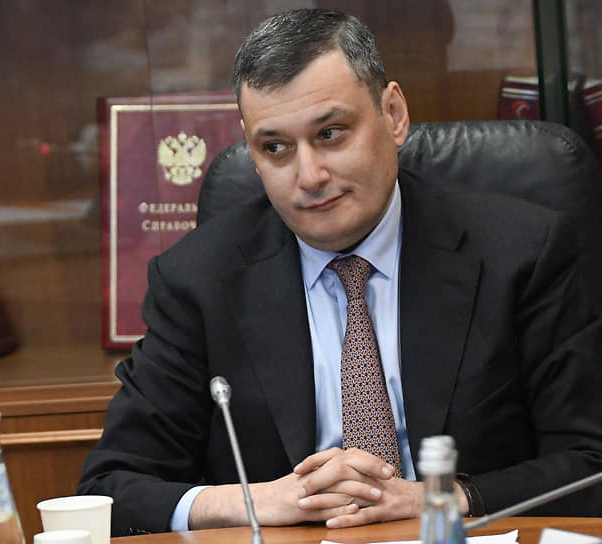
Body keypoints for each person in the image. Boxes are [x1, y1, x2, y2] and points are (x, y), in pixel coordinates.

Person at [77, 8, 602, 537]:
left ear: (393, 114)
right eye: (275, 147)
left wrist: (440, 497)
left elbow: (591, 463)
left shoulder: (522, 254)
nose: (309, 176)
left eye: (330, 133)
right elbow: (110, 488)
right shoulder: (198, 280)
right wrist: (258, 501)